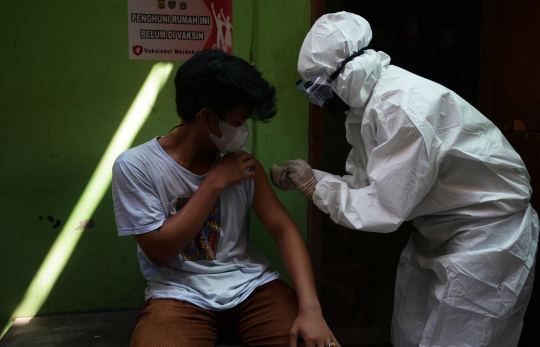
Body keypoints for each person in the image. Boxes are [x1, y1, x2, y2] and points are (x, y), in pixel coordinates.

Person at [270, 12, 538, 347]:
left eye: (321, 87)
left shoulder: (402, 109)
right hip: (439, 227)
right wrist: (311, 179)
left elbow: (383, 207)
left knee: (461, 339)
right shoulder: (367, 106)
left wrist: (315, 187)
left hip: (487, 234)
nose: (322, 100)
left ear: (348, 71)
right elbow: (366, 183)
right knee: (412, 331)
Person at [111, 49, 339, 347]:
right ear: (207, 116)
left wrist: (311, 310)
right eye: (239, 120)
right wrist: (214, 183)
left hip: (253, 288)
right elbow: (160, 251)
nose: (244, 131)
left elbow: (283, 230)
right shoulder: (136, 166)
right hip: (179, 294)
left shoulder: (244, 166)